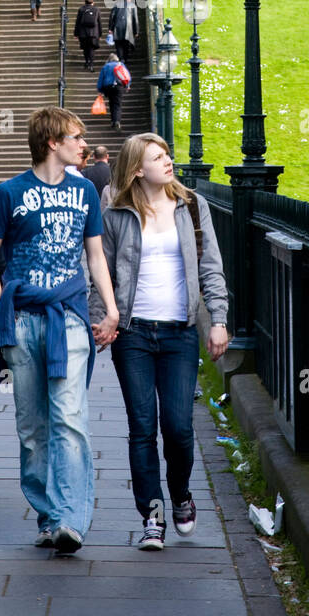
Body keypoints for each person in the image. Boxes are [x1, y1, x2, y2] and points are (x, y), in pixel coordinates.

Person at [0, 107, 119, 555]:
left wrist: (110, 309)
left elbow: (95, 256)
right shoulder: (9, 192)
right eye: (76, 137)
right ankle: (46, 514)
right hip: (22, 321)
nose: (84, 144)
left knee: (70, 418)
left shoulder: (85, 191)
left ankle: (70, 519)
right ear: (52, 142)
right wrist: (5, 310)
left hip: (69, 318)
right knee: (33, 426)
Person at [91, 133, 228, 551]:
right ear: (137, 169)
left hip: (179, 333)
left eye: (167, 154)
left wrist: (218, 319)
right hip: (132, 334)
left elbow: (211, 268)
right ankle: (152, 515)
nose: (168, 161)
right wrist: (102, 319)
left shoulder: (192, 206)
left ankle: (182, 494)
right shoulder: (115, 211)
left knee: (179, 427)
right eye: (158, 157)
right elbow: (101, 270)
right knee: (142, 428)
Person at [96, 50, 130, 131]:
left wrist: (100, 89)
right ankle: (117, 121)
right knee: (117, 104)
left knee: (111, 103)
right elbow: (127, 75)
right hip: (119, 86)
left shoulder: (106, 66)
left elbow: (101, 78)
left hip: (108, 87)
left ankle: (112, 121)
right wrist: (127, 85)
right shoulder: (121, 65)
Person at [73, 0, 102, 72]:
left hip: (83, 33)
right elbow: (99, 23)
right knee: (91, 49)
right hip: (93, 33)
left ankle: (86, 62)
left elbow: (78, 22)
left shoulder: (81, 9)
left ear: (85, 2)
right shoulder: (96, 10)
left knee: (85, 48)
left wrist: (76, 34)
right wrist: (100, 34)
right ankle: (91, 64)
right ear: (93, 3)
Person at [109, 0, 139, 64]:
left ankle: (121, 58)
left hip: (117, 28)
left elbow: (112, 18)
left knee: (118, 45)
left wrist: (110, 28)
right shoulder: (132, 6)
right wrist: (136, 31)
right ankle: (125, 59)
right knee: (126, 45)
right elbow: (135, 19)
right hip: (128, 29)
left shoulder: (116, 5)